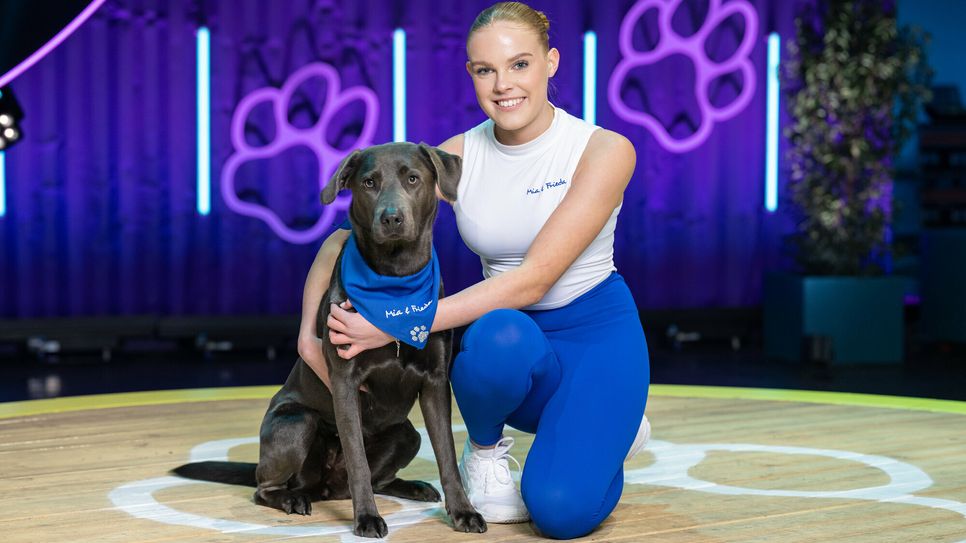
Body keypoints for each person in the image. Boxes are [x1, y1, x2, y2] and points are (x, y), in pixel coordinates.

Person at [297, 2, 650, 539]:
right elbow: (356, 228)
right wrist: (308, 334)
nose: (503, 84)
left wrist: (398, 324)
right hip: (511, 339)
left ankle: (610, 428)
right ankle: (483, 450)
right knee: (492, 337)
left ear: (551, 63)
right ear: (472, 74)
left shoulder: (602, 149)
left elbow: (535, 279)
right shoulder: (456, 156)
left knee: (560, 513)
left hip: (595, 332)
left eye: (520, 65)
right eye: (486, 70)